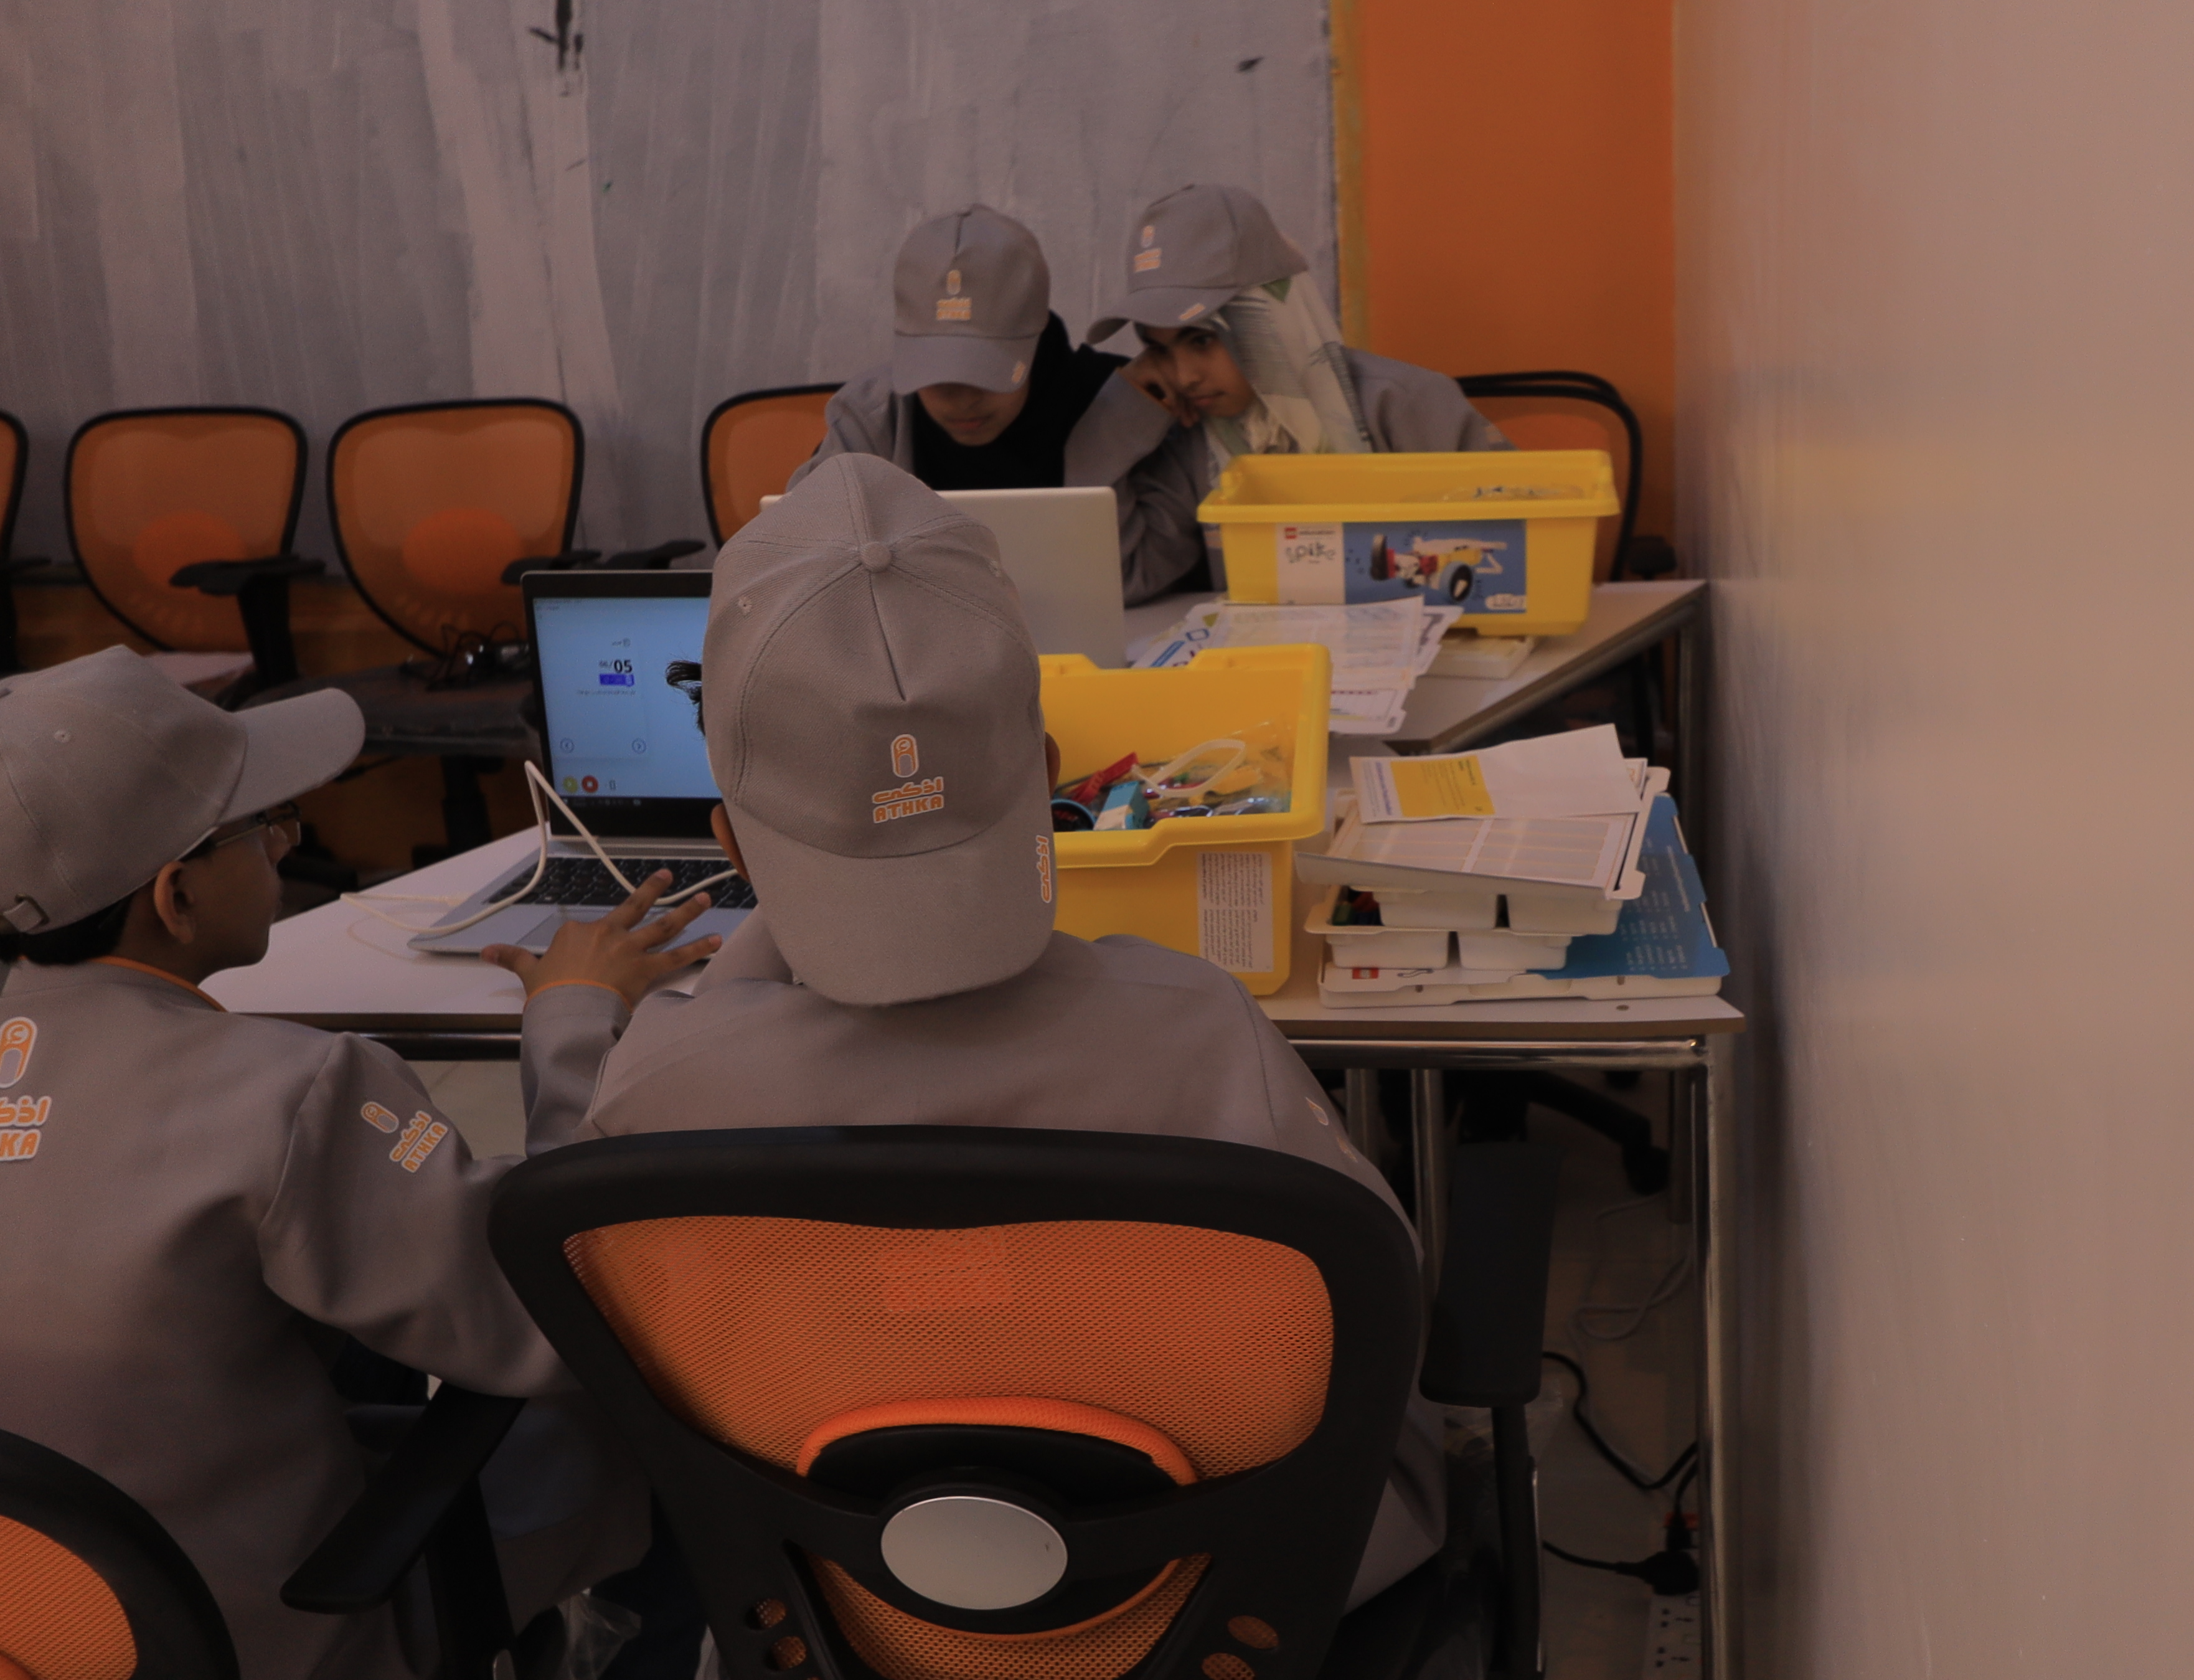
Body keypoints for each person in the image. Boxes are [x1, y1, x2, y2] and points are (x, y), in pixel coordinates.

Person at [567, 452, 1446, 1612]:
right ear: (1047, 776)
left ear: (729, 841)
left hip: (848, 1614)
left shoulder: (657, 1091)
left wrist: (574, 1017)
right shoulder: (1202, 1033)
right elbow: (1385, 1315)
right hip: (1223, 1612)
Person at [0, 647, 722, 1679]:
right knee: (667, 1426)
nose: (287, 838)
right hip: (282, 1633)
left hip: (53, 1632)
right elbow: (556, 1311)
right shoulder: (290, 1093)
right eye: (261, 825)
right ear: (176, 895)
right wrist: (573, 1021)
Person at [1086, 182, 1511, 602]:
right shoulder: (1190, 439)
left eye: (1202, 340)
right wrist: (1118, 414)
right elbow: (1117, 580)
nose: (1185, 377)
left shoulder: (1403, 404)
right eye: (1159, 350)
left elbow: (1517, 551)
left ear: (1274, 317)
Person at [786, 203, 1173, 499]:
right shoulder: (872, 419)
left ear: (1036, 346)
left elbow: (1143, 573)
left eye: (986, 373)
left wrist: (1115, 430)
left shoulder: (1125, 407)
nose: (962, 400)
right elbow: (792, 554)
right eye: (935, 375)